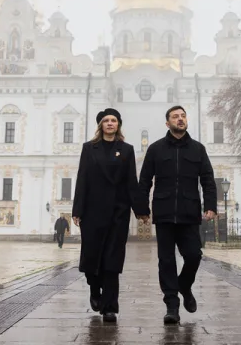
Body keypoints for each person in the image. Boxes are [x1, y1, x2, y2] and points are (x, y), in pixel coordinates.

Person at [138, 105, 217, 325]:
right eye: (175, 117)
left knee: (193, 255)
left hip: (189, 212)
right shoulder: (155, 149)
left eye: (183, 116)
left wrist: (210, 205)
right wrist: (142, 208)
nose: (180, 119)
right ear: (167, 123)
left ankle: (184, 285)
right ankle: (172, 305)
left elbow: (208, 180)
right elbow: (144, 181)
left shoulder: (198, 149)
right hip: (163, 213)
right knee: (166, 261)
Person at [72, 108, 148, 323]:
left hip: (118, 212)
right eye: (106, 120)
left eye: (114, 120)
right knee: (91, 257)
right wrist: (77, 210)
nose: (110, 123)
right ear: (100, 125)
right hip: (92, 212)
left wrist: (141, 210)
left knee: (112, 260)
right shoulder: (89, 149)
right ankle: (94, 290)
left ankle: (110, 306)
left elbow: (131, 182)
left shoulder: (126, 150)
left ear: (118, 125)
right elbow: (82, 179)